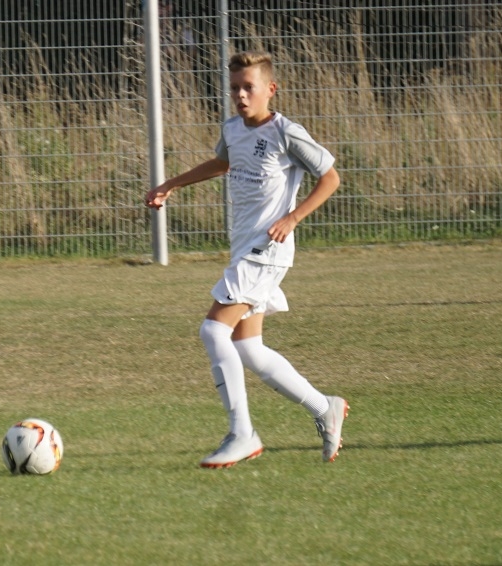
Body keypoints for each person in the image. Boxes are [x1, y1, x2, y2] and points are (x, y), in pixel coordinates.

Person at [144, 51, 348, 467]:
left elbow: (330, 177)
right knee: (249, 348)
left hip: (266, 249)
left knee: (212, 331)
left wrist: (293, 218)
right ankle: (324, 407)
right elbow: (223, 162)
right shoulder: (232, 129)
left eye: (248, 88)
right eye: (235, 87)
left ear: (270, 90)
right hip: (245, 249)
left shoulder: (286, 133)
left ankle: (243, 434)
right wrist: (171, 184)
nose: (240, 95)